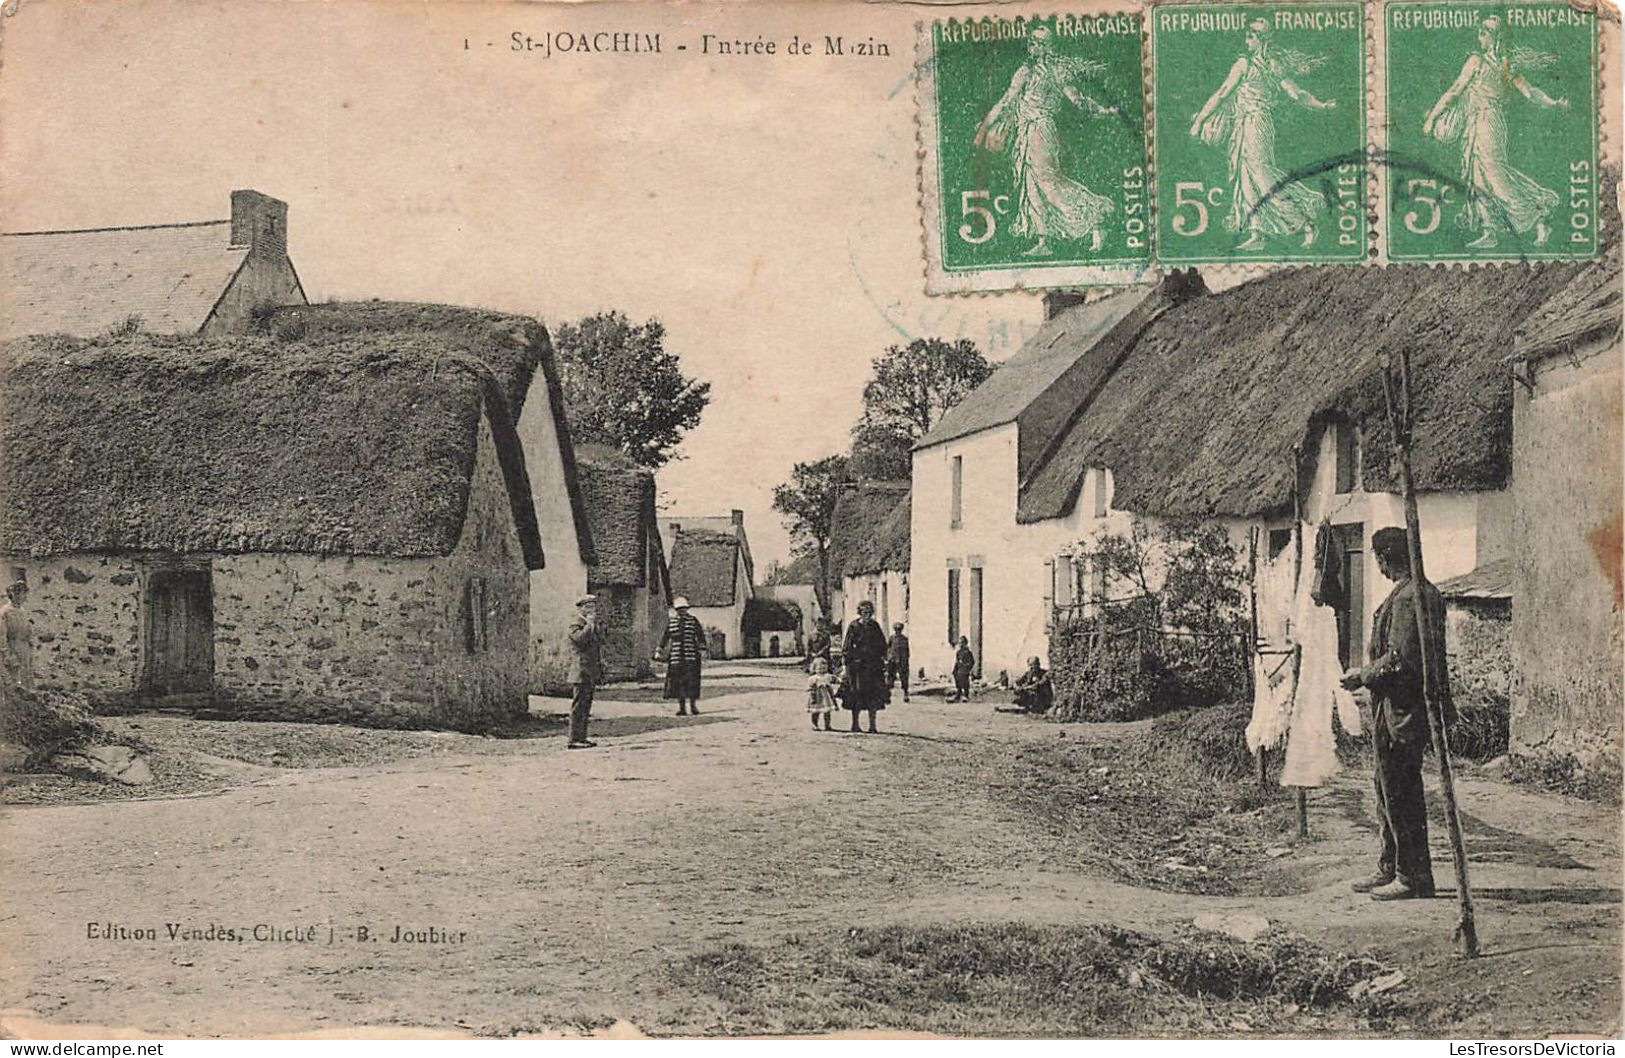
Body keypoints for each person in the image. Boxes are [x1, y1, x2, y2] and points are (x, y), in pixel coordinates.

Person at [1341, 527, 1454, 901]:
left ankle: (1413, 876)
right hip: (1393, 709)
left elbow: (1400, 663)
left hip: (1404, 712)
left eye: (1379, 559)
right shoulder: (1412, 593)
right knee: (1386, 788)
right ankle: (1390, 864)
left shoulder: (1411, 597)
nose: (1378, 566)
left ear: (1387, 558)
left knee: (1401, 792)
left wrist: (1363, 675)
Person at [1190, 18, 1336, 251]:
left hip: (1256, 123)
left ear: (1262, 39)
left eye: (1252, 34)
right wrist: (1201, 119)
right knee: (1244, 177)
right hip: (1241, 125)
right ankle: (1257, 232)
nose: (1247, 38)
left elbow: (1295, 93)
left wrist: (1321, 105)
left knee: (1261, 175)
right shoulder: (1255, 64)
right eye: (1247, 33)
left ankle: (1305, 224)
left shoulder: (1258, 65)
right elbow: (1224, 93)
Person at [974, 24, 1118, 258]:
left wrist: (1103, 111)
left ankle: (1096, 218)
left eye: (1038, 43)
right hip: (1024, 133)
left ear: (1047, 46)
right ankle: (1044, 241)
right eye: (1031, 42)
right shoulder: (1024, 71)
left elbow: (1077, 99)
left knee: (1048, 184)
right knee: (1031, 185)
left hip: (1041, 130)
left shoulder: (1056, 71)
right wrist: (984, 128)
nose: (1032, 47)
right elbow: (1006, 100)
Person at [1422, 16, 1566, 249]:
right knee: (1477, 175)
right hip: (1476, 122)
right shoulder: (1477, 60)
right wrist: (1433, 117)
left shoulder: (1497, 64)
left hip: (1489, 123)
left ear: (1497, 36)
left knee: (1495, 176)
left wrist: (1552, 103)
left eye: (1486, 30)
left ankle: (1539, 214)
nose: (1481, 33)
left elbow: (1529, 91)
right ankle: (1490, 231)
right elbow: (1456, 90)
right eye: (1479, 29)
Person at [841, 599, 889, 733]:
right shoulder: (853, 626)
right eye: (864, 612)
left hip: (872, 667)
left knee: (873, 695)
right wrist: (846, 664)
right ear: (859, 613)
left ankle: (872, 725)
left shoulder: (875, 626)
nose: (866, 615)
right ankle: (855, 724)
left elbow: (882, 644)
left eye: (869, 612)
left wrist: (881, 658)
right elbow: (847, 647)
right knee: (856, 694)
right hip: (857, 667)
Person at [658, 596, 706, 717]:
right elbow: (665, 636)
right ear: (676, 610)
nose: (682, 611)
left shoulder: (692, 620)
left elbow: (700, 635)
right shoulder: (672, 622)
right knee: (678, 682)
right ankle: (682, 708)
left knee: (691, 681)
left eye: (684, 609)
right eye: (679, 609)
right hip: (676, 657)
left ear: (687, 609)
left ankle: (693, 706)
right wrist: (660, 649)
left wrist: (703, 648)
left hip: (691, 656)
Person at [566, 594, 603, 750]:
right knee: (578, 706)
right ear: (581, 608)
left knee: (586, 706)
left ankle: (582, 737)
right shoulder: (576, 624)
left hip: (590, 670)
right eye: (588, 607)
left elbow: (599, 642)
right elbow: (580, 640)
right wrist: (589, 625)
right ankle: (574, 739)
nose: (591, 610)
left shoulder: (591, 624)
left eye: (593, 607)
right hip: (580, 670)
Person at [1, 580, 34, 695]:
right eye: (23, 594)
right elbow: (2, 636)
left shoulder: (23, 611)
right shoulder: (5, 612)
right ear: (14, 594)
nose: (25, 598)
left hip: (24, 648)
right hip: (13, 648)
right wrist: (8, 654)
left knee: (26, 679)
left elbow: (27, 629)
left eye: (25, 594)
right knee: (14, 681)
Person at [806, 656, 837, 732]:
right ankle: (814, 724)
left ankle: (827, 725)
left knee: (827, 711)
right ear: (814, 669)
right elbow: (809, 688)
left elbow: (835, 680)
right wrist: (812, 693)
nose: (822, 670)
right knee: (815, 711)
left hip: (826, 696)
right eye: (819, 669)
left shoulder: (827, 676)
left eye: (824, 668)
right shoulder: (813, 678)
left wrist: (838, 679)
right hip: (817, 696)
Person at [885, 622, 911, 703]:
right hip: (892, 661)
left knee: (904, 679)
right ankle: (887, 696)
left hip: (902, 661)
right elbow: (888, 648)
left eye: (899, 630)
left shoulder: (904, 639)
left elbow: (907, 651)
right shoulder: (892, 638)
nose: (898, 631)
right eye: (896, 630)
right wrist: (888, 658)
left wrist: (906, 660)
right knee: (890, 679)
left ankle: (906, 694)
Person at [950, 636, 976, 702]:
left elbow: (972, 662)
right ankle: (958, 693)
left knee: (965, 681)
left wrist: (967, 668)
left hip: (964, 669)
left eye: (962, 643)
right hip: (959, 669)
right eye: (960, 643)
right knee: (957, 680)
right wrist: (954, 670)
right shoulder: (958, 652)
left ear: (965, 643)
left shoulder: (968, 652)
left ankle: (966, 695)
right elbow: (957, 661)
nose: (961, 644)